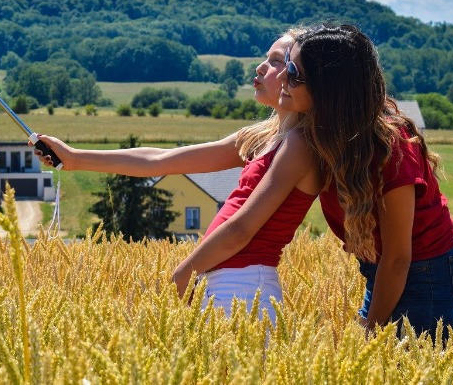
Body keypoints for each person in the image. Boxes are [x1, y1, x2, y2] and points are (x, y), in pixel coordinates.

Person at [33, 30, 322, 321]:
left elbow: (240, 231)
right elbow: (159, 160)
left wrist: (183, 274)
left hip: (246, 287)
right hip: (223, 281)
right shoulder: (260, 138)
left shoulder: (300, 145)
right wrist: (73, 158)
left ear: (297, 75)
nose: (260, 67)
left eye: (276, 61)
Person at [279, 23, 453, 340]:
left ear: (328, 89)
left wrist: (371, 329)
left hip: (427, 276)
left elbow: (398, 257)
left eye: (292, 71)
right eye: (287, 63)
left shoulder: (390, 151)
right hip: (387, 270)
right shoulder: (328, 133)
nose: (282, 78)